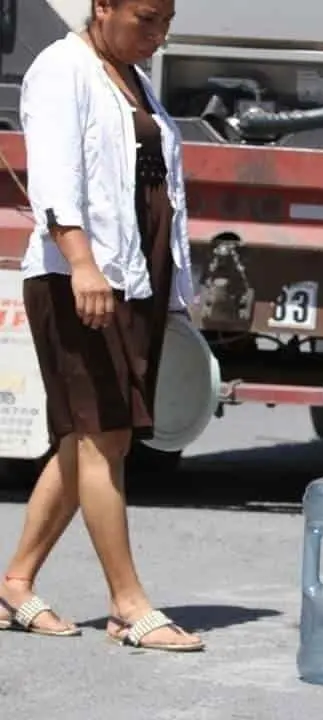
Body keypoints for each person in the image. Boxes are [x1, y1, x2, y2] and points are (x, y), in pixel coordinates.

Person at [0, 0, 203, 651]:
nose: (159, 33)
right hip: (77, 279)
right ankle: (126, 604)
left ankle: (15, 582)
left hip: (132, 276)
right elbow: (57, 174)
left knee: (86, 437)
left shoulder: (133, 79)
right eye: (147, 17)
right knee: (104, 436)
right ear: (103, 6)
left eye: (167, 20)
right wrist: (83, 263)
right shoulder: (64, 68)